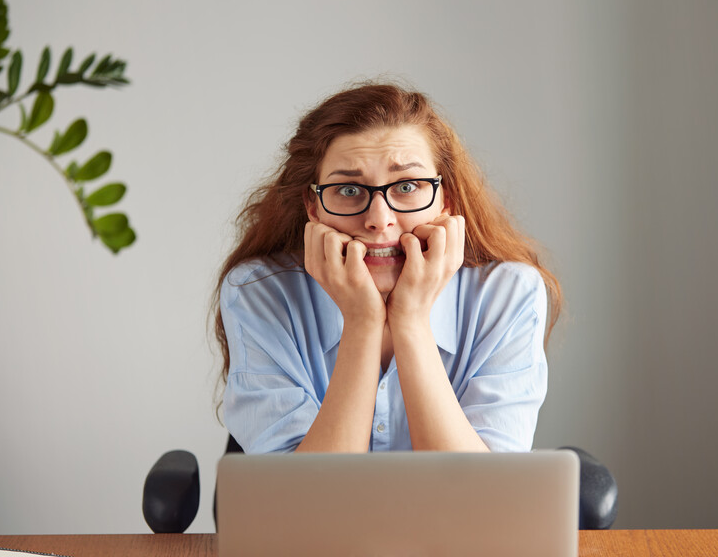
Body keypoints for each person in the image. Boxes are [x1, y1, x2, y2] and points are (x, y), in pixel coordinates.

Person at [214, 82, 561, 453]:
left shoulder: (508, 295)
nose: (379, 220)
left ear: (446, 200)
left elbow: (482, 500)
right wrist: (362, 322)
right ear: (313, 208)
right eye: (348, 190)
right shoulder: (258, 292)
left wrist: (410, 318)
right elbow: (305, 504)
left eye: (408, 186)